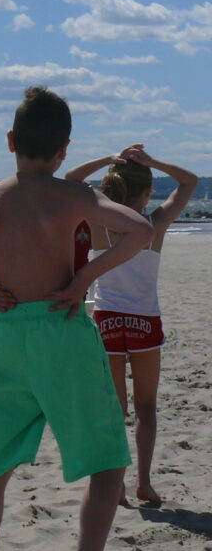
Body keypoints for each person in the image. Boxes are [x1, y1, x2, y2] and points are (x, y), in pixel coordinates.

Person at [0, 86, 153, 551]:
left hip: (6, 333)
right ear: (64, 151)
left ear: (10, 141)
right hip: (62, 329)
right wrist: (85, 277)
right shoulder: (75, 195)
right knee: (106, 464)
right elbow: (140, 232)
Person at [65, 144, 197, 505]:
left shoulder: (99, 223)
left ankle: (117, 486)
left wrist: (109, 159)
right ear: (148, 191)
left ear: (110, 188)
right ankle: (144, 483)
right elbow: (190, 181)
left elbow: (71, 179)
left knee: (115, 409)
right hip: (144, 323)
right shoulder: (154, 224)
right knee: (146, 408)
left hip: (107, 321)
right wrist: (152, 161)